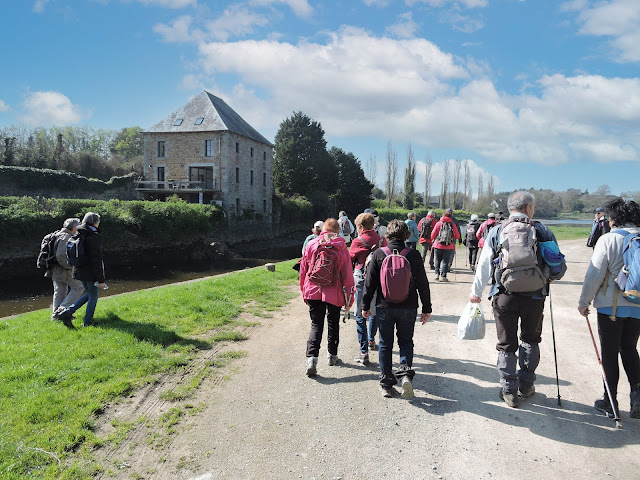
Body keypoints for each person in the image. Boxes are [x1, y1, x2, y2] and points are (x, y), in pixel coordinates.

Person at [469, 191, 567, 408]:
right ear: (529, 208)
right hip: (535, 296)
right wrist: (547, 278)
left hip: (504, 295)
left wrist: (476, 292)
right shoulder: (542, 231)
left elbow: (484, 265)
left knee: (506, 344)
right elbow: (558, 267)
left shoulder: (497, 230)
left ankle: (509, 391)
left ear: (510, 208)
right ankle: (526, 385)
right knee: (530, 340)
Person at [578, 198, 640, 419]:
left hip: (610, 308)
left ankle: (609, 400)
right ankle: (637, 395)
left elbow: (594, 274)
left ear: (614, 218)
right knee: (630, 349)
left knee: (610, 353)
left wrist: (584, 302)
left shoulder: (608, 239)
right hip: (637, 306)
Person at [361, 220, 431, 398]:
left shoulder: (379, 253)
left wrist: (365, 306)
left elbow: (369, 284)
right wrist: (426, 308)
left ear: (388, 234)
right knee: (406, 341)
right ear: (406, 235)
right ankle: (405, 374)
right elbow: (423, 283)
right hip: (408, 306)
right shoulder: (413, 254)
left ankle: (386, 384)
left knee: (385, 343)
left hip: (384, 307)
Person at [300, 218, 355, 377]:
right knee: (333, 323)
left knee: (316, 324)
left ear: (323, 229)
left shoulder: (312, 244)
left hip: (313, 290)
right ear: (338, 231)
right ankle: (332, 355)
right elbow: (348, 276)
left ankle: (312, 359)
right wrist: (349, 299)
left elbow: (304, 270)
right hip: (335, 292)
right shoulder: (341, 247)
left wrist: (304, 290)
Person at [55, 212, 107, 328]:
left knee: (90, 293)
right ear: (95, 222)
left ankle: (67, 312)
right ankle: (86, 322)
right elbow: (96, 259)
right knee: (93, 296)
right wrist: (101, 279)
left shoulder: (78, 233)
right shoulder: (93, 237)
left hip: (78, 269)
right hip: (90, 271)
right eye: (98, 221)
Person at [350, 212, 387, 362]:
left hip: (362, 279)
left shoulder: (357, 241)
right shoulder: (382, 240)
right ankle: (371, 339)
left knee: (360, 314)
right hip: (378, 279)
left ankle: (363, 351)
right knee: (374, 311)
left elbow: (350, 260)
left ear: (360, 226)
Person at [48, 218, 84, 321]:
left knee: (60, 292)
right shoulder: (66, 238)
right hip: (63, 270)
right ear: (74, 228)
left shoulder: (58, 234)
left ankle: (55, 317)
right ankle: (61, 311)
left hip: (56, 269)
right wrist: (71, 267)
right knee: (79, 287)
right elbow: (61, 256)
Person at [430, 209, 460, 282]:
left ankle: (436, 274)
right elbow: (457, 236)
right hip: (448, 246)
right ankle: (444, 276)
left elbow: (432, 235)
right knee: (445, 261)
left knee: (437, 260)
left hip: (438, 245)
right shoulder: (452, 224)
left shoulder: (438, 223)